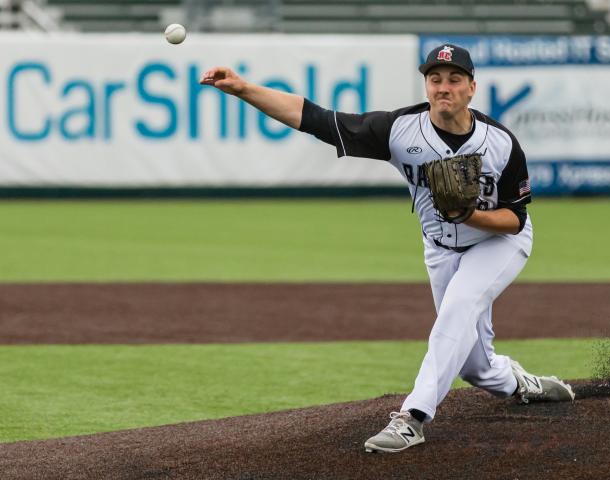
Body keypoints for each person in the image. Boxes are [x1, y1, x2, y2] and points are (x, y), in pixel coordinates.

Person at [199, 43, 575, 454]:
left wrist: (469, 216)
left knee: (459, 308)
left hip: (497, 242)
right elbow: (315, 119)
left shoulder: (500, 142)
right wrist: (243, 89)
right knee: (474, 367)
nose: (443, 87)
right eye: (435, 79)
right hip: (441, 250)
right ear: (426, 85)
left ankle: (412, 418)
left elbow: (516, 219)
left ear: (471, 88)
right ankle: (520, 384)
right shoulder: (400, 130)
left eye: (454, 80)